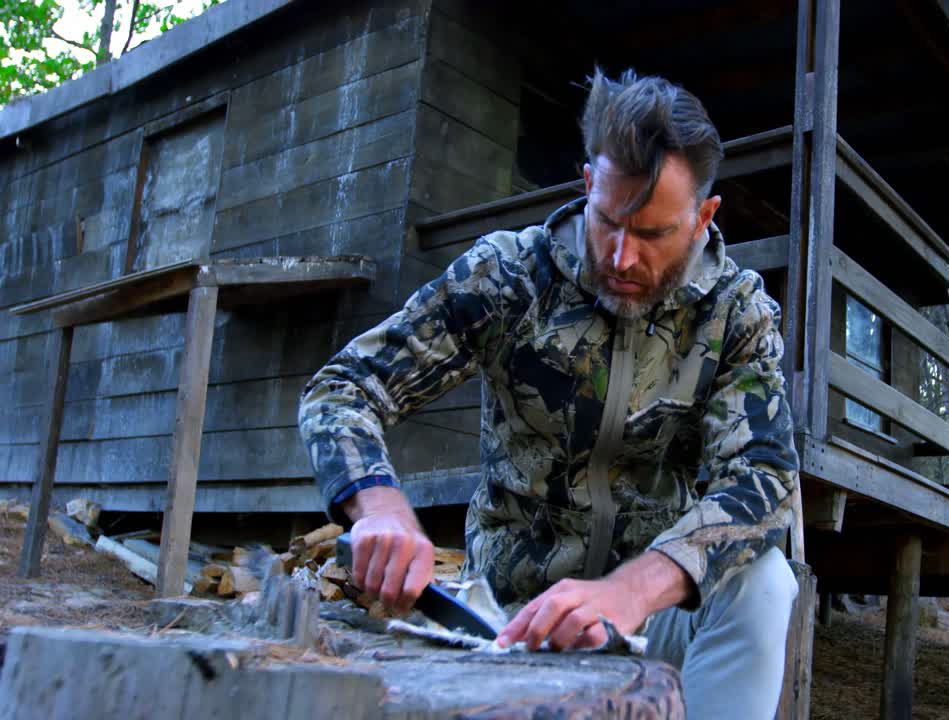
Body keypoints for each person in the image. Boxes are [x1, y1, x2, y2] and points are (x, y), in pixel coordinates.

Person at [298, 68, 799, 718]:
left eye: (652, 235)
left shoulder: (735, 314)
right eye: (610, 221)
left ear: (703, 217)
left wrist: (629, 590)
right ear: (589, 185)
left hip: (652, 610)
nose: (621, 257)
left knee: (765, 583)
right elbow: (343, 389)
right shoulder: (509, 277)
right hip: (510, 610)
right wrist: (380, 507)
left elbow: (763, 474)